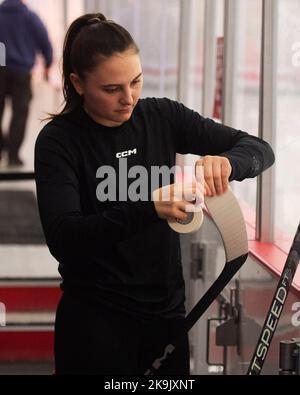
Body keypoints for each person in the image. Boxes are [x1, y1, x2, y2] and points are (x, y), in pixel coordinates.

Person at [34, 13, 275, 375]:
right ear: (78, 83)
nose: (128, 98)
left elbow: (258, 148)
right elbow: (65, 238)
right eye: (112, 89)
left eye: (136, 81)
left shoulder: (162, 116)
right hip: (95, 321)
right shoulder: (59, 141)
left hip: (165, 319)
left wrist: (227, 165)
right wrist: (149, 207)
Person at [0, 0, 53, 166]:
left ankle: (2, 146)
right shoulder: (29, 16)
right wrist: (48, 64)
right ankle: (13, 155)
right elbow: (45, 41)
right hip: (21, 72)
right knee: (20, 114)